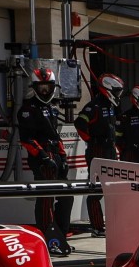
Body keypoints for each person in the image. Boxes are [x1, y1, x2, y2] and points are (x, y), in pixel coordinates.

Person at [16, 67, 74, 256]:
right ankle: (46, 239)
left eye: (47, 87)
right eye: (41, 87)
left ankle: (60, 236)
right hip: (41, 158)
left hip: (55, 155)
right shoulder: (27, 110)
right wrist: (43, 157)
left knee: (67, 196)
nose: (44, 91)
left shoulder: (52, 108)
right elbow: (26, 139)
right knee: (46, 198)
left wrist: (63, 157)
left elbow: (56, 136)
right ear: (34, 87)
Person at [75, 73, 124, 236]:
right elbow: (79, 123)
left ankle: (114, 223)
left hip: (110, 150)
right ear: (107, 89)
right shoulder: (94, 106)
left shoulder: (111, 106)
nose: (118, 95)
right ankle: (97, 227)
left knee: (113, 188)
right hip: (97, 151)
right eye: (116, 91)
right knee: (96, 191)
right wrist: (91, 141)